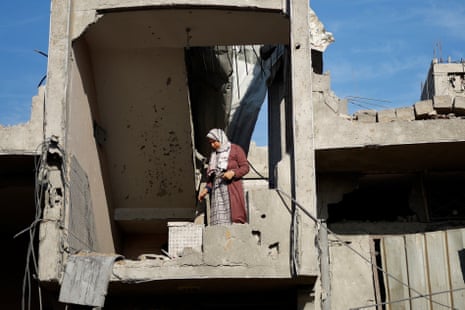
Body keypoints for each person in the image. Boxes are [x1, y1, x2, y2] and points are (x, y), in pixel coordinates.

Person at [198, 128, 250, 225]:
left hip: (232, 188)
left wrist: (233, 173)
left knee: (234, 218)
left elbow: (245, 168)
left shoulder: (235, 149)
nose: (212, 145)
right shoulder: (214, 156)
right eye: (210, 143)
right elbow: (212, 177)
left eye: (214, 142)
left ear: (220, 139)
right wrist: (206, 189)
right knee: (219, 221)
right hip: (217, 191)